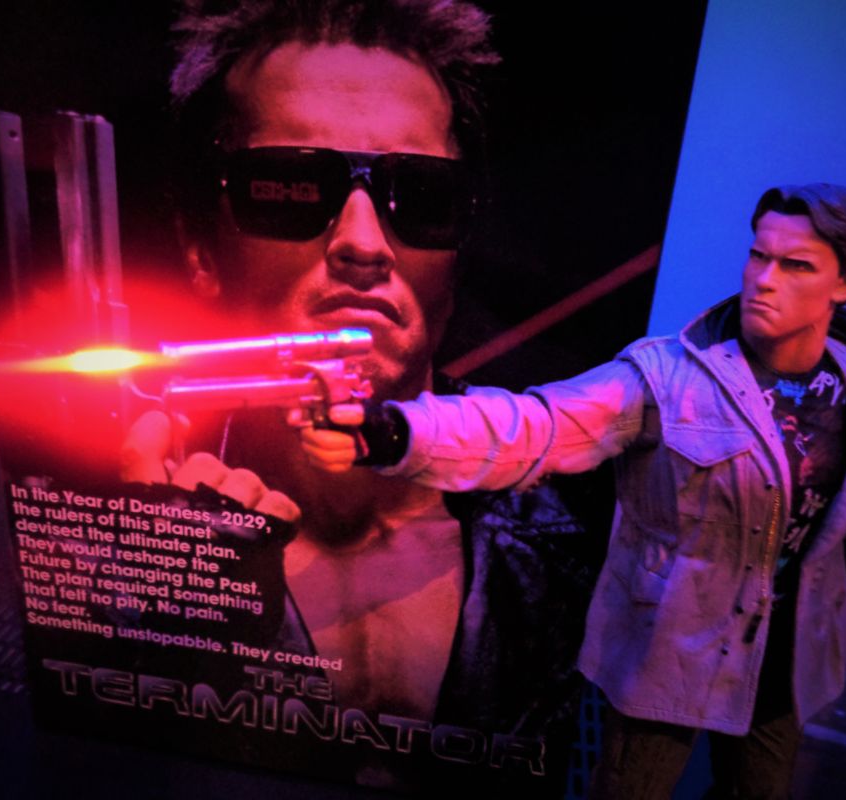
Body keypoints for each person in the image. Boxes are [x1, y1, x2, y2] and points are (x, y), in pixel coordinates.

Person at [303, 183, 846, 798]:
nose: (764, 279)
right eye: (759, 255)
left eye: (796, 266)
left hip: (783, 663)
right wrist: (394, 432)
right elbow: (537, 426)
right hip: (672, 652)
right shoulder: (671, 377)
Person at [120, 0, 595, 790]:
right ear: (200, 245)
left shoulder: (569, 535)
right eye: (290, 186)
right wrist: (162, 603)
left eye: (423, 194)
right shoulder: (140, 532)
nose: (364, 244)